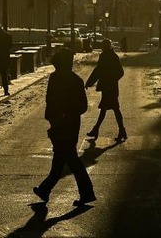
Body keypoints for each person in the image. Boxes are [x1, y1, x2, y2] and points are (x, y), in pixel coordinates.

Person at [33, 47, 96, 207]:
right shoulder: (76, 80)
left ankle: (86, 192)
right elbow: (82, 106)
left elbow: (50, 101)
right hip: (70, 125)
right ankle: (45, 190)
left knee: (69, 159)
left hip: (61, 125)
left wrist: (58, 116)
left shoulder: (55, 79)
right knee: (61, 159)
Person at [84, 38, 126, 143]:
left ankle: (98, 130)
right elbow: (120, 72)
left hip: (108, 87)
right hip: (111, 87)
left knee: (109, 109)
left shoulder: (105, 56)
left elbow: (98, 70)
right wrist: (113, 79)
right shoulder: (113, 56)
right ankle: (120, 130)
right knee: (111, 109)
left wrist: (90, 82)